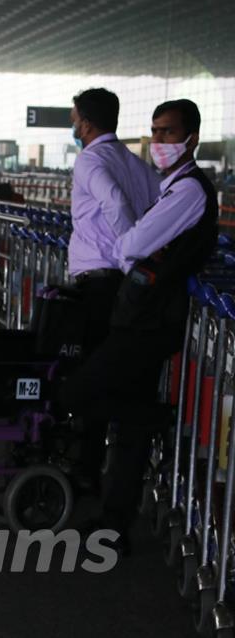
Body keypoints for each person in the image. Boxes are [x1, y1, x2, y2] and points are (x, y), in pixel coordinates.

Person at [62, 99, 217, 552]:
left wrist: (131, 244)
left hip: (148, 321)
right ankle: (114, 526)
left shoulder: (188, 191)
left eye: (169, 132)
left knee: (78, 391)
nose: (159, 141)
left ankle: (148, 418)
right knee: (129, 433)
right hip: (145, 315)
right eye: (155, 131)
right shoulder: (165, 183)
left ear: (192, 139)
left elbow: (133, 243)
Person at [68, 88, 161, 487]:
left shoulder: (91, 159)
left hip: (103, 284)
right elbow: (160, 207)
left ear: (86, 123)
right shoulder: (135, 163)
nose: (74, 126)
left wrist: (128, 254)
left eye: (75, 119)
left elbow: (116, 204)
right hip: (127, 286)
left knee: (93, 376)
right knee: (123, 377)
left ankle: (87, 469)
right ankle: (115, 470)